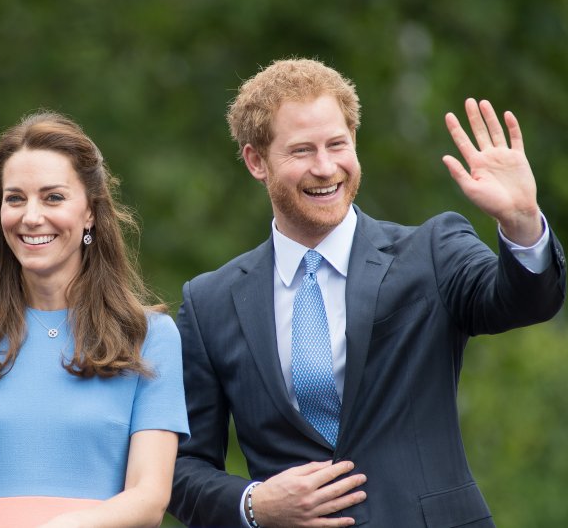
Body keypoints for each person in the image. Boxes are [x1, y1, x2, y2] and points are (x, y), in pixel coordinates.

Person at [169, 58, 566, 527]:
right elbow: (180, 469)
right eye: (301, 151)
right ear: (256, 160)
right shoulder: (209, 302)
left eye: (337, 144)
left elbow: (524, 302)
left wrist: (521, 223)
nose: (325, 167)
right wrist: (256, 504)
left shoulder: (432, 250)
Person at [0, 111, 189, 528]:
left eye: (53, 197)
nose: (31, 216)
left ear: (91, 212)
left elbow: (149, 497)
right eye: (16, 198)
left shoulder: (149, 337)